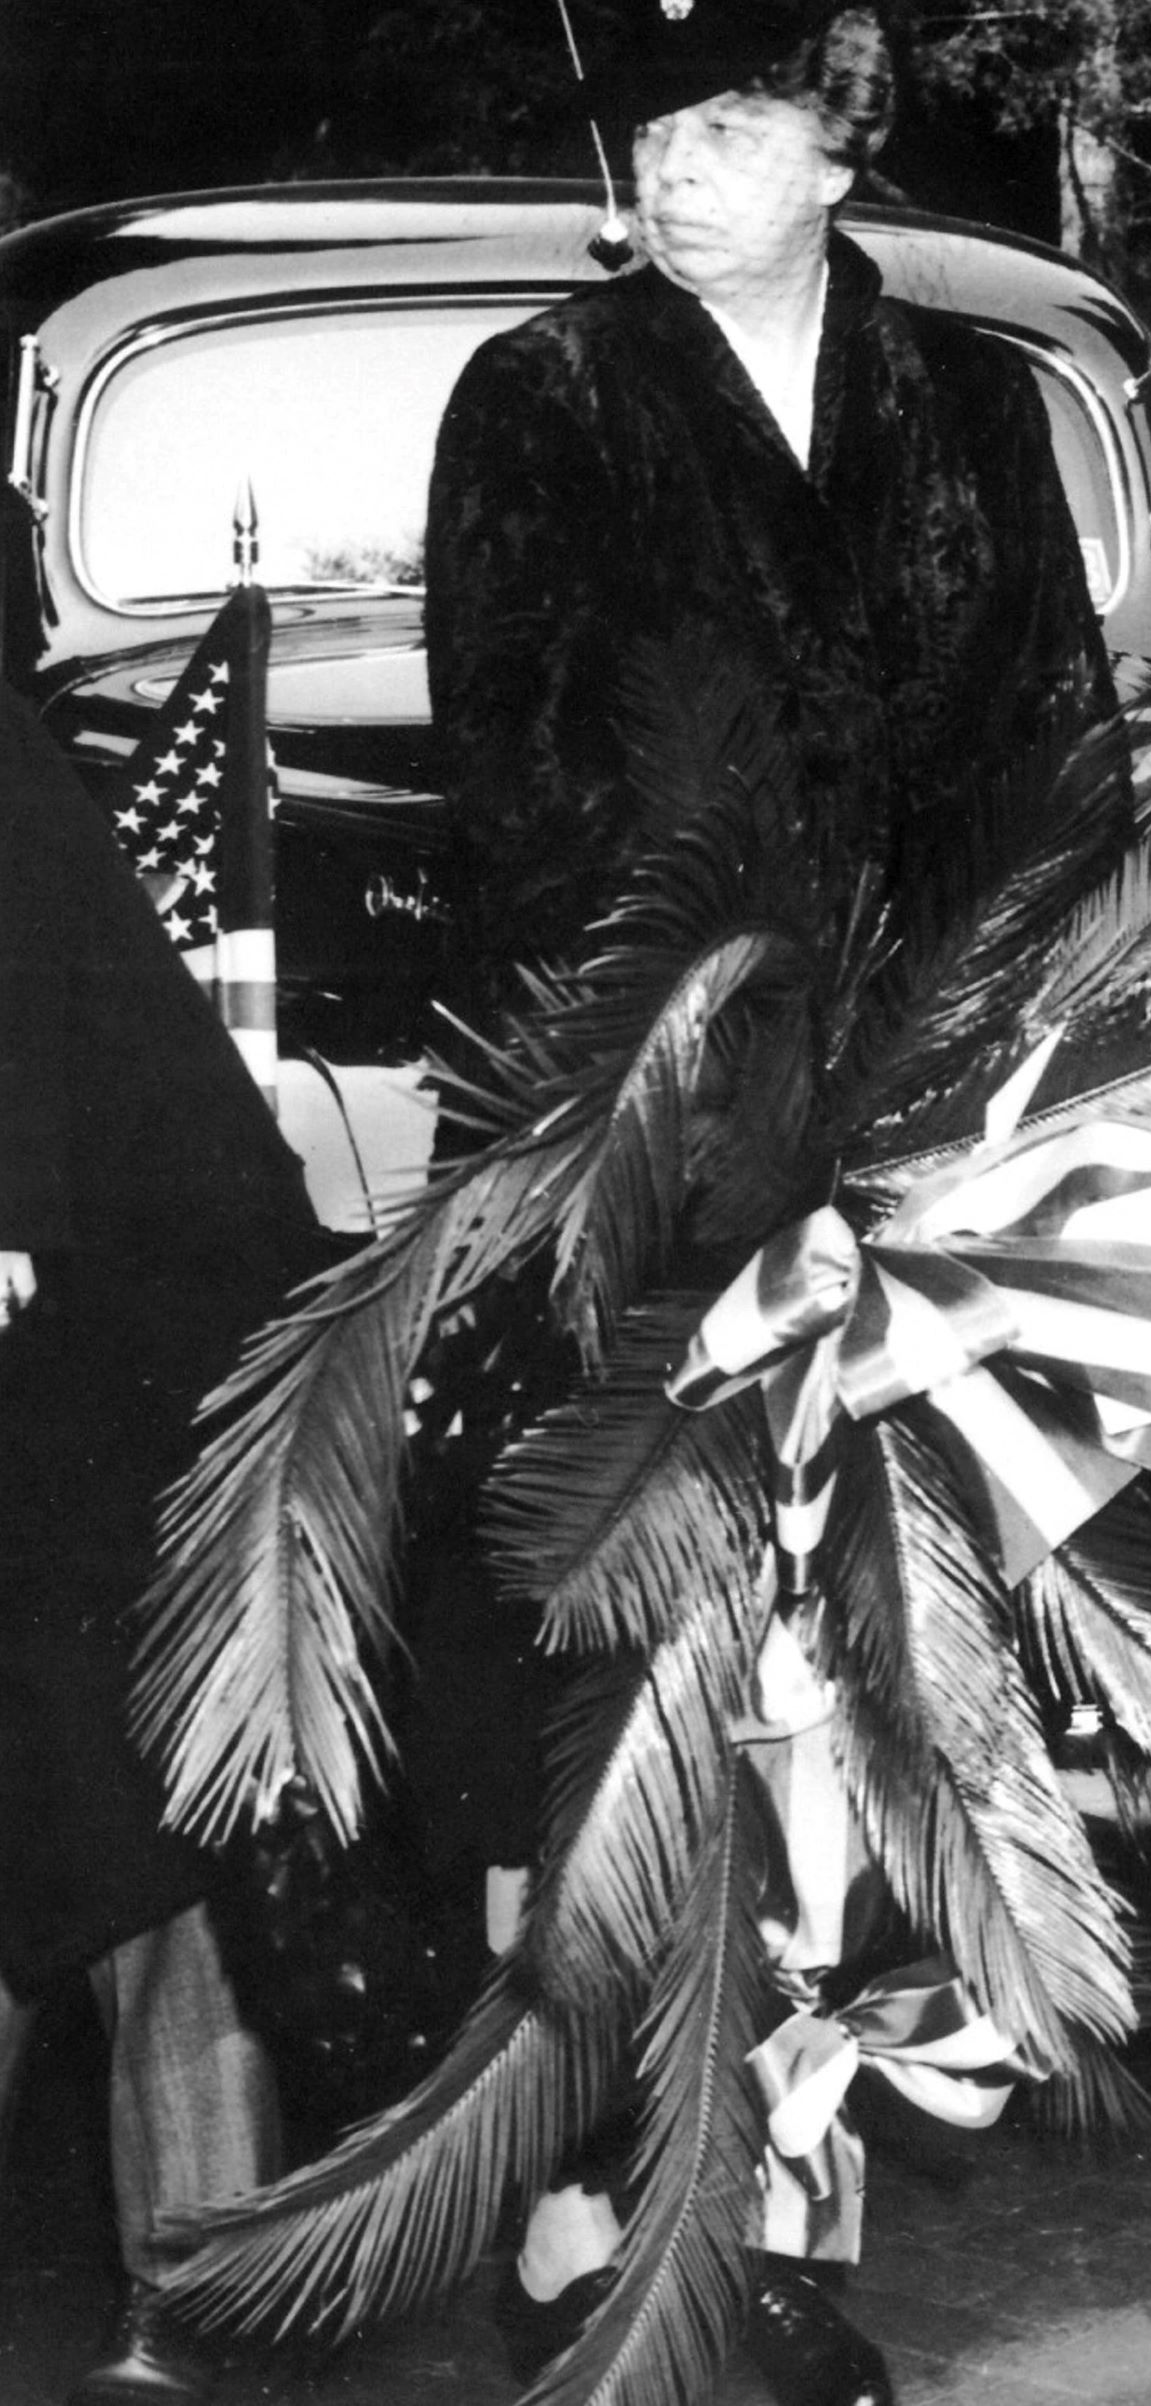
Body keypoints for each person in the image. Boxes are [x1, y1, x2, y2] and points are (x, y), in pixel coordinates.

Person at [421, 0, 1121, 2406]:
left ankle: (788, 2238)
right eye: (652, 124)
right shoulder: (547, 397)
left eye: (729, 123)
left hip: (915, 1161)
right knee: (639, 1689)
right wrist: (715, 1100)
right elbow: (517, 796)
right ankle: (607, 2222)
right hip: (655, 1167)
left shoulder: (971, 407)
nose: (674, 165)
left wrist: (968, 1087)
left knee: (852, 1694)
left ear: (841, 145)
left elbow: (1057, 758)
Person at [0, 673, 323, 2406]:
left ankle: (203, 2296)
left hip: (122, 1341)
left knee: (129, 1824)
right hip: (68, 1350)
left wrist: (7, 1202)